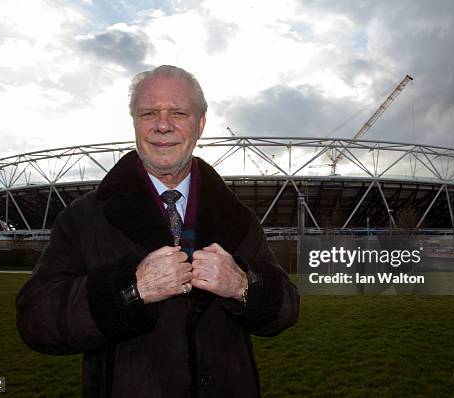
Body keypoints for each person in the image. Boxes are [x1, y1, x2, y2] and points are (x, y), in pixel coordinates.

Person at [16, 65, 299, 397]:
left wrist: (243, 285)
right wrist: (129, 291)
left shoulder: (238, 218)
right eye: (149, 113)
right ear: (135, 122)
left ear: (201, 123)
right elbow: (36, 321)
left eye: (178, 113)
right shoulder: (83, 217)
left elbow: (287, 309)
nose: (163, 125)